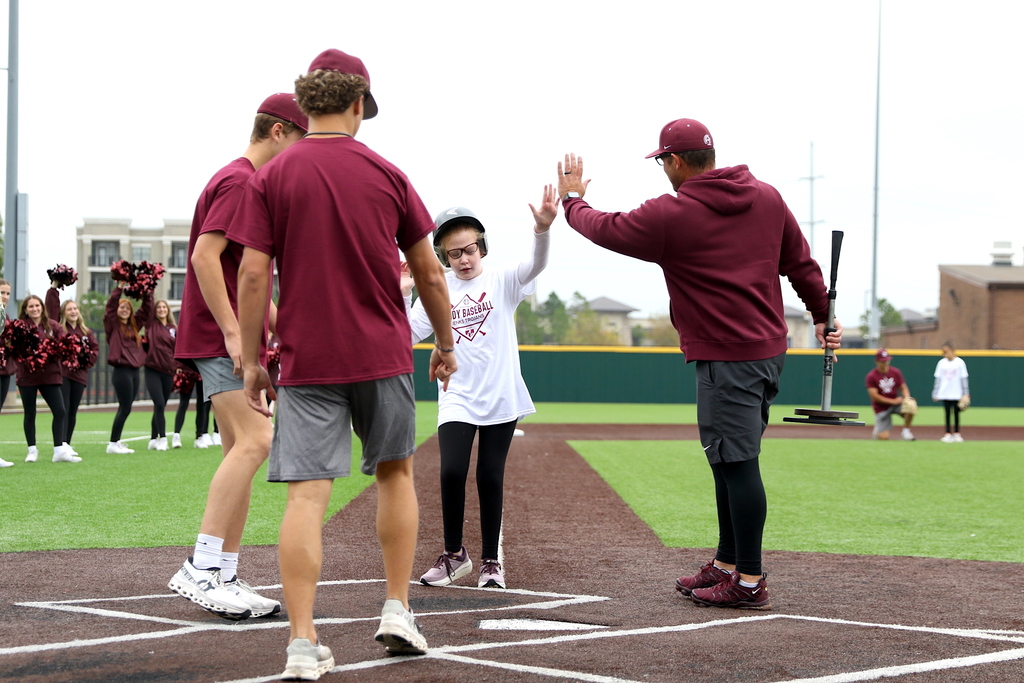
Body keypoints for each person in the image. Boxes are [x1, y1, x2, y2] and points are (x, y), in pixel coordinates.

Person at [231, 49, 457, 678]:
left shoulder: (271, 177)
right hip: (381, 353)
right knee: (395, 476)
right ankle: (395, 609)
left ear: (305, 104)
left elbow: (252, 276)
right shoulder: (388, 172)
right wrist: (444, 343)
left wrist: (251, 361)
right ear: (359, 103)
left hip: (306, 361)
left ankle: (302, 642)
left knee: (307, 495)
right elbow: (432, 275)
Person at [557, 119, 842, 611]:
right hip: (766, 350)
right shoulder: (767, 197)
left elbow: (605, 228)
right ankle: (729, 561)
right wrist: (821, 315)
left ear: (678, 161)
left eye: (663, 161)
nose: (663, 169)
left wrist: (571, 201)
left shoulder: (674, 213)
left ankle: (748, 580)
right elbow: (801, 264)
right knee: (725, 457)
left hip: (728, 356)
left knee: (737, 462)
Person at [168, 92, 308, 622]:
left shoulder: (245, 182)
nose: (299, 154)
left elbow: (248, 279)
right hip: (216, 338)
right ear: (277, 132)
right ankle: (201, 568)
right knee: (258, 440)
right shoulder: (240, 180)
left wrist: (283, 327)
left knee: (240, 451)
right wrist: (232, 334)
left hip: (227, 337)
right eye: (298, 140)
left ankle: (223, 571)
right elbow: (205, 258)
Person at [405, 194, 555, 591]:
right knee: (451, 470)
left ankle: (491, 561)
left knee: (490, 475)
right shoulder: (437, 287)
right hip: (457, 394)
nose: (464, 259)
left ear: (482, 247)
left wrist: (542, 230)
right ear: (444, 258)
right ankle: (454, 555)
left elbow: (536, 264)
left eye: (469, 249)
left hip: (501, 394)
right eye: (453, 254)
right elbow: (403, 333)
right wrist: (405, 291)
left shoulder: (502, 279)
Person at [16, 295, 79, 463]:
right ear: (25, 310)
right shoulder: (21, 326)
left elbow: (64, 344)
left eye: (37, 305)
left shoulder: (53, 325)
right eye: (31, 306)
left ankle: (59, 450)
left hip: (50, 375)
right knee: (30, 412)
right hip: (27, 375)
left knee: (60, 411)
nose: (35, 309)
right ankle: (32, 450)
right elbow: (15, 349)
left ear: (42, 307)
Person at [46, 285, 99, 449]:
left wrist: (85, 362)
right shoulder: (60, 329)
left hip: (80, 375)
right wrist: (54, 289)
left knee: (73, 411)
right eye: (69, 309)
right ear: (63, 313)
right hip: (63, 374)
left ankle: (67, 443)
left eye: (75, 308)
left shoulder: (86, 332)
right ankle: (60, 443)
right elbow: (51, 308)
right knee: (64, 409)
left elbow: (94, 350)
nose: (73, 312)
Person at [104, 285, 153, 454]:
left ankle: (115, 442)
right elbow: (110, 306)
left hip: (134, 371)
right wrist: (118, 288)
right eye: (121, 307)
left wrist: (148, 291)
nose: (124, 310)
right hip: (121, 371)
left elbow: (147, 310)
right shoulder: (113, 325)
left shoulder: (134, 325)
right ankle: (113, 443)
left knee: (127, 408)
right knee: (124, 407)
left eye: (127, 308)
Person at [144, 300, 177, 450]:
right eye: (159, 307)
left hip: (169, 371)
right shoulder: (151, 325)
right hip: (152, 369)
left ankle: (152, 439)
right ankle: (162, 438)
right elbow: (148, 306)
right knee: (158, 403)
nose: (162, 310)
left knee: (161, 406)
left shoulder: (174, 328)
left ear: (168, 310)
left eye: (164, 307)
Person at [865, 348, 916, 441]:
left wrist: (907, 398)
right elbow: (875, 397)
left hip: (895, 404)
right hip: (881, 407)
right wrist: (893, 401)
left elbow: (903, 387)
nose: (885, 363)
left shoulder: (895, 372)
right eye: (882, 361)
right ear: (877, 361)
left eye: (887, 361)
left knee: (911, 405)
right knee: (883, 438)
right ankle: (878, 430)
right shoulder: (871, 376)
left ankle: (906, 432)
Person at [933, 341, 970, 443]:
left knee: (957, 413)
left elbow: (964, 378)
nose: (945, 354)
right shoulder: (941, 363)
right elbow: (938, 379)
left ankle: (957, 434)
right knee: (947, 413)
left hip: (957, 393)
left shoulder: (960, 362)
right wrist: (935, 392)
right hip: (945, 392)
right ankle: (948, 433)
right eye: (943, 353)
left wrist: (966, 392)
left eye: (946, 352)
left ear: (952, 351)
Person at [171, 365, 211, 449]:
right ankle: (176, 435)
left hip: (202, 368)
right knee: (183, 403)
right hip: (187, 368)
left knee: (201, 404)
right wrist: (179, 365)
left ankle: (199, 437)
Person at [0, 279, 15, 468]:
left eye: (8, 293)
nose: (5, 297)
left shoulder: (7, 315)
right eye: (2, 292)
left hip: (4, 369)